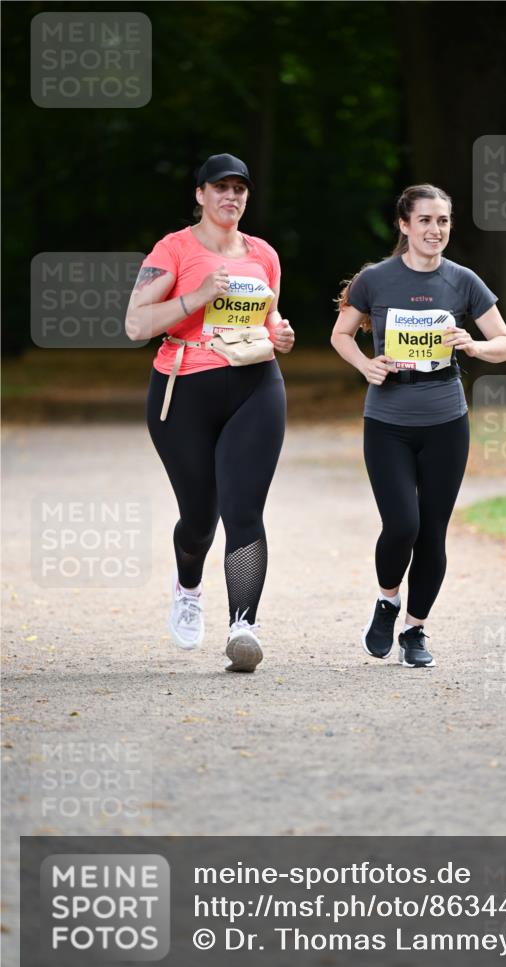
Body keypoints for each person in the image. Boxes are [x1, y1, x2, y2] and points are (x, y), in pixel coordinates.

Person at [331, 183, 506, 667]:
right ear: (404, 224)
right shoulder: (376, 280)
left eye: (443, 221)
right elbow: (341, 334)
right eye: (426, 221)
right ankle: (387, 601)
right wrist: (365, 365)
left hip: (446, 423)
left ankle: (415, 631)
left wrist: (473, 345)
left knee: (432, 532)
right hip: (387, 422)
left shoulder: (463, 281)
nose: (436, 230)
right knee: (401, 525)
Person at [125, 153, 295, 672]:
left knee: (244, 511)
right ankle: (188, 587)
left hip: (256, 386)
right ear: (200, 194)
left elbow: (269, 317)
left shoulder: (263, 254)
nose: (231, 196)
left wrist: (280, 333)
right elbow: (136, 325)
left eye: (239, 189)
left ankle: (244, 626)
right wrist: (198, 295)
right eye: (220, 187)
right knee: (200, 517)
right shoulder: (174, 249)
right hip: (184, 389)